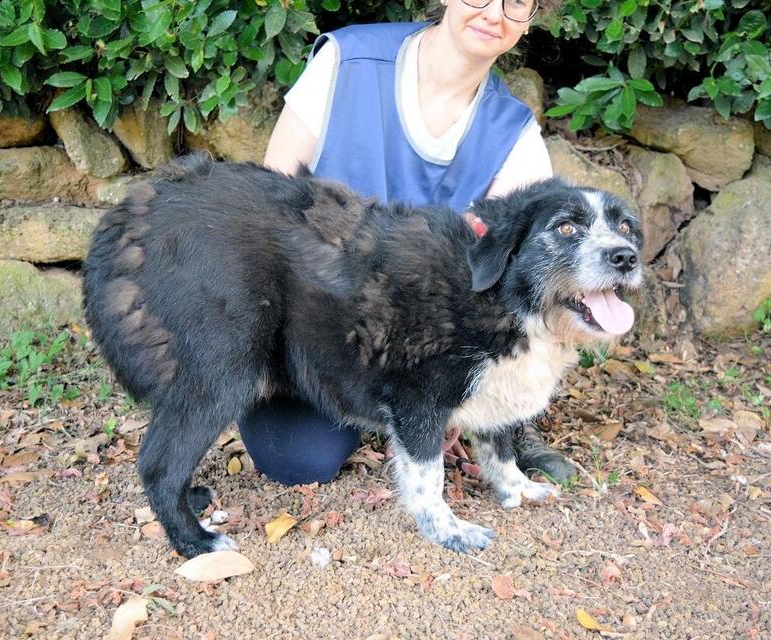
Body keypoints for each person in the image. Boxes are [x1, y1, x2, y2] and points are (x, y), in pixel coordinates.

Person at [239, 0, 576, 488]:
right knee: (296, 457)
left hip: (428, 351)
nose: (493, 13)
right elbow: (267, 211)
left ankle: (496, 422)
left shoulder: (513, 133)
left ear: (531, 19)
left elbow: (515, 284)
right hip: (321, 334)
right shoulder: (347, 62)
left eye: (517, 2)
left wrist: (458, 390)